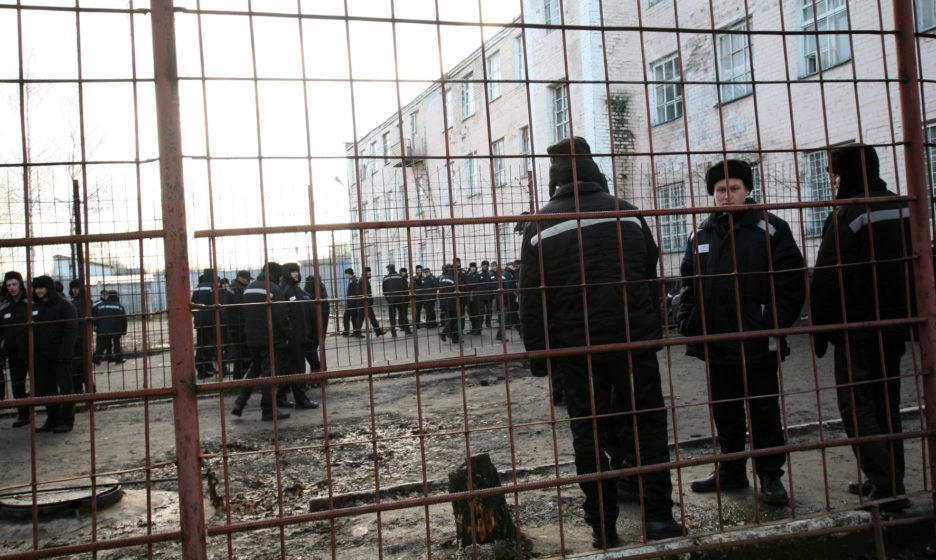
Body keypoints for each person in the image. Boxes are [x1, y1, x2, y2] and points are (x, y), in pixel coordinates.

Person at [520, 136, 682, 547]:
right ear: (593, 169)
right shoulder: (628, 214)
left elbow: (531, 299)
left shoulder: (541, 226)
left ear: (555, 177)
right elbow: (648, 267)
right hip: (633, 342)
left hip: (579, 349)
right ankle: (659, 517)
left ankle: (603, 529)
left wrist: (540, 358)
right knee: (648, 421)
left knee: (588, 431)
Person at [677, 159, 805, 506]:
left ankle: (770, 476)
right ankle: (731, 470)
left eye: (734, 188)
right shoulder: (700, 234)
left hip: (758, 342)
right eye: (720, 189)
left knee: (764, 411)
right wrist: (690, 319)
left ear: (747, 190)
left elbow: (792, 281)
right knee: (726, 411)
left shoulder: (771, 229)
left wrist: (769, 320)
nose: (727, 195)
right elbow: (687, 282)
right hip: (717, 342)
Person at [810, 145, 915, 512]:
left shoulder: (851, 213)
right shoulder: (903, 206)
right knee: (887, 404)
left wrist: (820, 330)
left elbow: (828, 277)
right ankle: (890, 476)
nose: (832, 180)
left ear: (850, 172)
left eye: (835, 173)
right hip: (896, 325)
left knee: (857, 406)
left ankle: (887, 487)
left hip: (856, 328)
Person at [231, 262, 290, 422]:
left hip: (252, 337)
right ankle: (268, 410)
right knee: (269, 374)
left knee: (254, 371)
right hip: (270, 338)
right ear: (277, 274)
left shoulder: (249, 288)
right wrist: (288, 334)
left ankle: (239, 403)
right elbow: (281, 317)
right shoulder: (274, 289)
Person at [31, 276, 79, 433]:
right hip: (42, 356)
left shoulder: (64, 306)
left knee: (65, 389)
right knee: (47, 390)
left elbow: (70, 331)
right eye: (36, 288)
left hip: (60, 356)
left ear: (49, 288)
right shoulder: (35, 307)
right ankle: (52, 419)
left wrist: (64, 353)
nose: (38, 291)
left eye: (41, 287)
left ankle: (66, 420)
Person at [277, 263, 318, 410]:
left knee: (289, 369)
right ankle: (301, 400)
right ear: (286, 273)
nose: (296, 274)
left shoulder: (296, 289)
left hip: (299, 335)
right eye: (292, 271)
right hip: (292, 337)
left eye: (297, 271)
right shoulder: (285, 290)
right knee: (297, 368)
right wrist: (290, 334)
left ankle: (280, 397)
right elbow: (283, 316)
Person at [1, 271, 30, 427]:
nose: (12, 288)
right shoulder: (4, 307)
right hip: (13, 352)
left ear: (20, 284)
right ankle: (23, 415)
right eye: (8, 285)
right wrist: (3, 344)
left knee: (41, 382)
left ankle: (51, 413)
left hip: (32, 350)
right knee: (17, 384)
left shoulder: (30, 304)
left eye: (14, 284)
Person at [191, 269, 219, 379]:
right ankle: (216, 368)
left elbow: (192, 303)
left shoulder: (197, 287)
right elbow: (214, 304)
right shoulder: (212, 287)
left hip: (199, 321)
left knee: (201, 345)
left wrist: (197, 316)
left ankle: (204, 368)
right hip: (210, 320)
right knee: (213, 345)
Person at [92, 290, 128, 365]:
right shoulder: (119, 307)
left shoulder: (102, 306)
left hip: (104, 329)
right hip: (116, 329)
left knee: (103, 345)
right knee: (117, 344)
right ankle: (118, 359)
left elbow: (97, 318)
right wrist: (124, 330)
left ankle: (96, 358)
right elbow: (124, 319)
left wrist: (97, 328)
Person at [228, 270, 252, 380]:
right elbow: (242, 307)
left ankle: (237, 380)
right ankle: (237, 380)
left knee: (242, 355)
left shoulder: (234, 287)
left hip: (235, 325)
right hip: (239, 326)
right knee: (244, 356)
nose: (248, 281)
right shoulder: (237, 289)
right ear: (240, 278)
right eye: (247, 279)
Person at [69, 280, 91, 393]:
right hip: (76, 337)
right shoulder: (71, 303)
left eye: (77, 288)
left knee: (83, 363)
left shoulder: (86, 302)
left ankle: (87, 387)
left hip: (83, 336)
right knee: (77, 364)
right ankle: (84, 387)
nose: (75, 290)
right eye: (73, 288)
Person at [382, 264, 411, 337]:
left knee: (392, 316)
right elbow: (405, 288)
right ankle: (407, 330)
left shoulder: (385, 278)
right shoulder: (400, 277)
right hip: (400, 299)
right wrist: (404, 297)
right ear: (394, 268)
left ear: (388, 269)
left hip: (391, 300)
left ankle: (393, 332)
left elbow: (384, 291)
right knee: (403, 315)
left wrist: (388, 299)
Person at [358, 267, 385, 336]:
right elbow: (365, 292)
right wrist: (369, 300)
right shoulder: (364, 280)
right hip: (365, 302)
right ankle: (378, 332)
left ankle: (377, 332)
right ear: (365, 273)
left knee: (363, 318)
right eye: (368, 272)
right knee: (370, 317)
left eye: (370, 272)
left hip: (364, 302)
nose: (370, 273)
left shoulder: (363, 280)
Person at [437, 264, 460, 343]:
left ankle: (449, 334)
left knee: (450, 319)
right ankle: (447, 334)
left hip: (443, 302)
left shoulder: (442, 278)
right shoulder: (454, 279)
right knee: (455, 319)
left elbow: (440, 291)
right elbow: (457, 290)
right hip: (452, 302)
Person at [341, 268, 361, 337]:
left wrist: (350, 304)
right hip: (351, 303)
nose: (344, 275)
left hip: (352, 303)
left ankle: (353, 332)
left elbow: (353, 293)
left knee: (352, 317)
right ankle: (348, 331)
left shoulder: (353, 280)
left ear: (348, 274)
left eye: (345, 274)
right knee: (349, 317)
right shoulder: (351, 280)